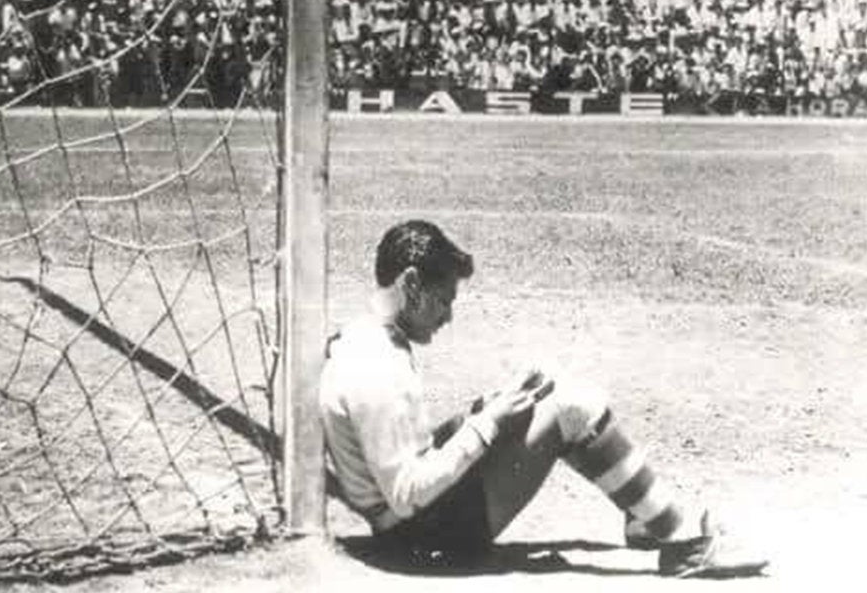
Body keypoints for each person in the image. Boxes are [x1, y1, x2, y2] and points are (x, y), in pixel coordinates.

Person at [319, 219, 769, 578]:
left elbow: (399, 457)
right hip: (421, 539)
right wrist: (486, 424)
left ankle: (643, 516)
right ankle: (682, 542)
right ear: (412, 284)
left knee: (541, 394)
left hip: (410, 526)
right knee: (574, 407)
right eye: (443, 300)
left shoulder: (366, 340)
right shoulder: (377, 368)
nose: (449, 316)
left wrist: (484, 413)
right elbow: (406, 494)